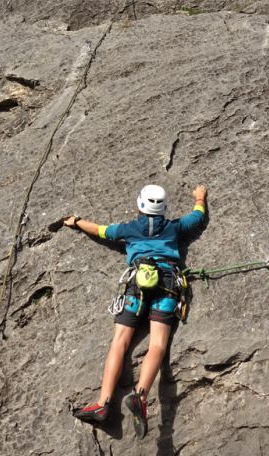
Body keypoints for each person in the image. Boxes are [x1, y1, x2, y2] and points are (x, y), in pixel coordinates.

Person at [64, 184, 207, 439]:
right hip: (167, 284)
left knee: (120, 342)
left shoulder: (128, 229)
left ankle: (103, 403)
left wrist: (76, 221)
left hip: (137, 283)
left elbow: (100, 230)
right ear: (164, 208)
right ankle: (140, 396)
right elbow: (197, 217)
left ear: (140, 204)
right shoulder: (173, 227)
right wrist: (199, 197)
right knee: (158, 345)